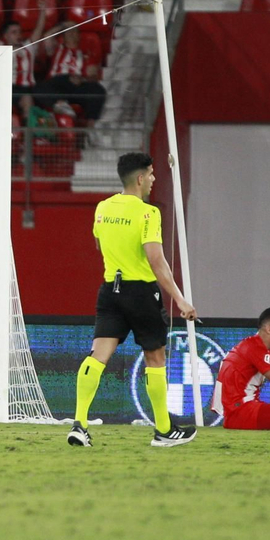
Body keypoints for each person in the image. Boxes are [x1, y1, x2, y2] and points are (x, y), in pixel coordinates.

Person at [69, 152, 198, 448]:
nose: (154, 179)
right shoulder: (148, 213)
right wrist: (180, 299)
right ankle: (163, 430)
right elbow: (156, 260)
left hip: (109, 291)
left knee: (97, 356)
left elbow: (100, 244)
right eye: (151, 174)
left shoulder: (102, 208)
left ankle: (79, 424)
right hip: (141, 292)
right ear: (140, 178)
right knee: (155, 358)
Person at [214, 309, 270, 430]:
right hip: (243, 412)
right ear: (269, 329)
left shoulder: (250, 345)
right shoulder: (255, 348)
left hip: (238, 412)